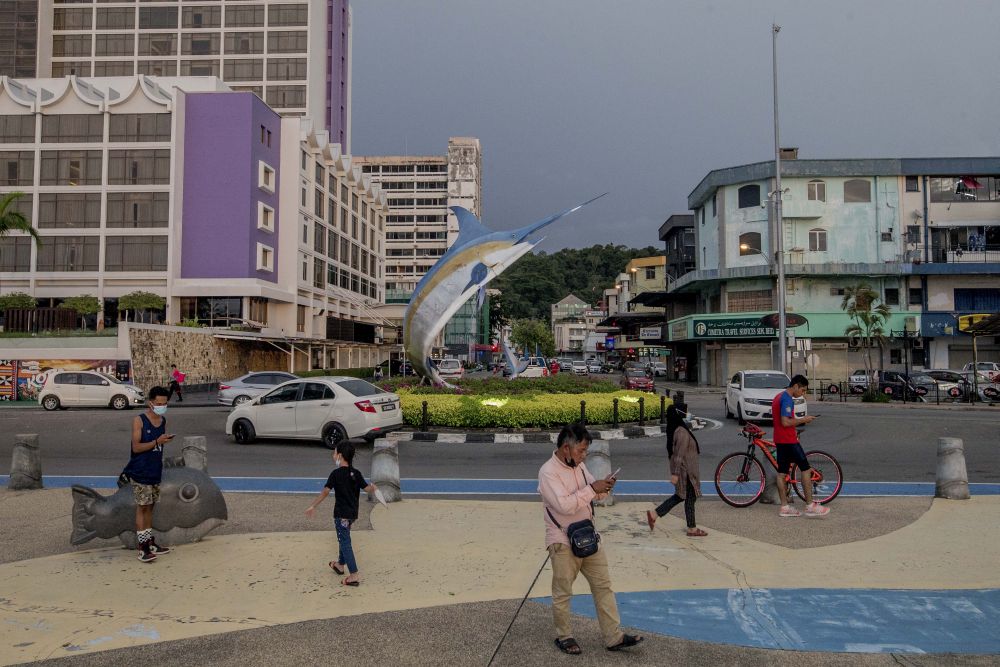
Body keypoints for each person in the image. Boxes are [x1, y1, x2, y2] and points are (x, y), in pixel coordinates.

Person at [538, 423, 643, 655]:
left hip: (588, 535)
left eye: (586, 451)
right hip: (563, 540)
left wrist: (604, 487)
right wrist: (592, 489)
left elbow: (592, 494)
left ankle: (613, 636)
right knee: (563, 590)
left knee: (603, 586)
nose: (584, 455)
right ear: (566, 448)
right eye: (581, 451)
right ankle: (564, 636)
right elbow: (564, 505)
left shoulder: (579, 467)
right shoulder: (548, 472)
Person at [305, 441, 377, 586]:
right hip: (351, 515)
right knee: (343, 537)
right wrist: (373, 488)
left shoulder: (336, 474)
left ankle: (354, 575)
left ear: (340, 456)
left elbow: (326, 491)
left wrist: (313, 505)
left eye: (335, 453)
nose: (333, 455)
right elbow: (367, 488)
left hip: (341, 515)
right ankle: (339, 564)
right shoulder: (356, 474)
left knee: (345, 542)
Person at [122, 386, 174, 563]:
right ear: (150, 403)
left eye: (164, 403)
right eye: (158, 403)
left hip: (155, 470)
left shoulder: (163, 420)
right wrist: (156, 441)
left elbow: (158, 445)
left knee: (151, 506)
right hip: (140, 470)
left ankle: (149, 542)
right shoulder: (139, 420)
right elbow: (136, 447)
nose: (161, 406)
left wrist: (163, 440)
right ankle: (142, 547)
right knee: (142, 507)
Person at [771, 374, 829, 517]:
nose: (803, 394)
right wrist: (804, 419)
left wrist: (796, 422)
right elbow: (785, 422)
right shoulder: (787, 399)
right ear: (795, 386)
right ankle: (810, 505)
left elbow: (783, 421)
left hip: (779, 439)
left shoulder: (778, 396)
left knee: (781, 473)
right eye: (802, 390)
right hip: (789, 440)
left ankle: (784, 507)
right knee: (805, 468)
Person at [645, 405, 706, 536]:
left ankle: (654, 514)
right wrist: (675, 474)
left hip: (685, 470)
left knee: (680, 496)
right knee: (689, 497)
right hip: (686, 472)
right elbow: (679, 454)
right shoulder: (682, 432)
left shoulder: (675, 429)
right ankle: (692, 528)